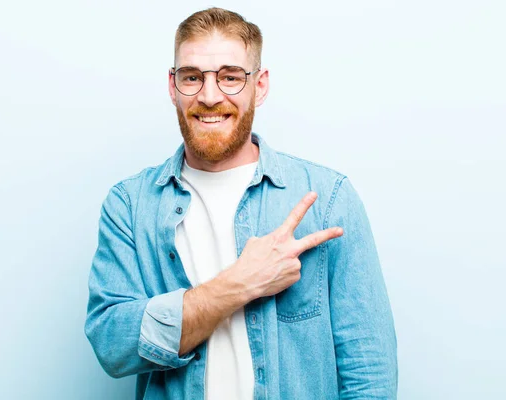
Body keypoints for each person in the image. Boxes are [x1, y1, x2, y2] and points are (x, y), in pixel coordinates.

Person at [85, 7, 398, 400]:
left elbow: (369, 374)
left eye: (231, 77)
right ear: (172, 86)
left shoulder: (327, 198)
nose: (210, 96)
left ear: (260, 85)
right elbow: (112, 345)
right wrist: (240, 283)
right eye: (192, 77)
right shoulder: (130, 206)